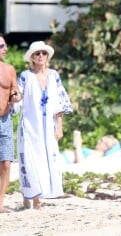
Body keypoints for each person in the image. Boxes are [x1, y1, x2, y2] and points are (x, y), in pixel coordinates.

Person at [17, 41, 73, 209]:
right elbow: (17, 98)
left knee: (47, 158)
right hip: (29, 125)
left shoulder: (54, 75)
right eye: (37, 53)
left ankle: (40, 195)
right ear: (32, 58)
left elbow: (59, 103)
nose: (40, 56)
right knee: (30, 159)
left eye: (43, 53)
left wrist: (59, 127)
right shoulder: (26, 76)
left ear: (47, 56)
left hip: (49, 126)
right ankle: (32, 197)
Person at [0, 34, 22, 213]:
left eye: (4, 45)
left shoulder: (9, 69)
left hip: (5, 119)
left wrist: (16, 96)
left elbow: (15, 90)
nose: (5, 49)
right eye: (1, 46)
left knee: (6, 163)